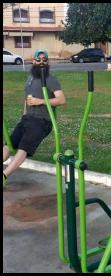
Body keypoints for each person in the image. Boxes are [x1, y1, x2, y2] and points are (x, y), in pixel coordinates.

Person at [3, 49, 66, 186]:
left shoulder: (51, 80)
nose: (41, 63)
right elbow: (26, 99)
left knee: (24, 148)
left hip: (42, 121)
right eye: (39, 60)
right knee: (9, 145)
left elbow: (61, 100)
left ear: (48, 62)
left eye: (45, 60)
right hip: (28, 119)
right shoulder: (30, 78)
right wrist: (24, 115)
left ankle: (4, 176)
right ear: (34, 61)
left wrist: (41, 101)